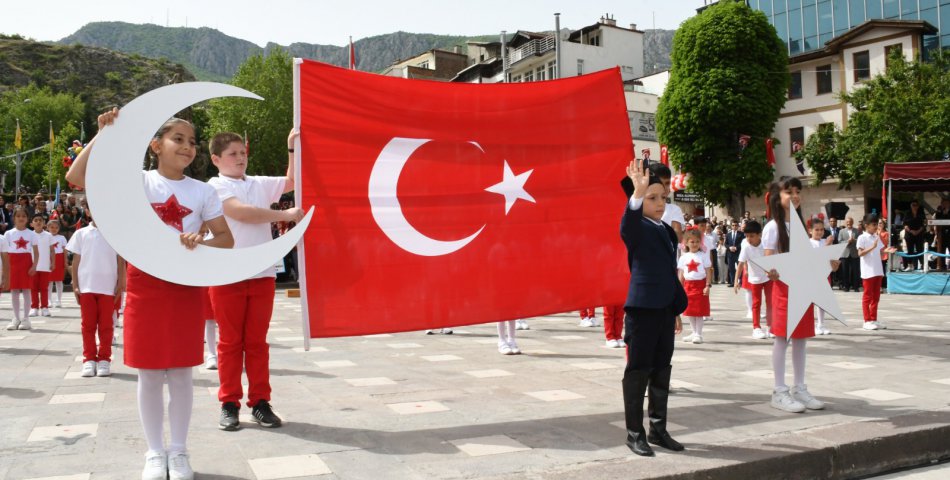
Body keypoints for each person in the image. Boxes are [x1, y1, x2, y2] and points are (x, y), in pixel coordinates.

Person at [66, 108, 234, 480]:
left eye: (192, 142)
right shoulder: (136, 182)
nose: (187, 147)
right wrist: (103, 135)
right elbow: (75, 176)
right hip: (144, 286)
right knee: (150, 375)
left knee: (181, 375)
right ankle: (155, 452)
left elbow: (226, 239)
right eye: (178, 139)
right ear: (155, 145)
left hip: (185, 287)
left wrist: (201, 239)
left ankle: (179, 452)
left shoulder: (202, 190)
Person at [206, 131, 303, 431]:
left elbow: (292, 180)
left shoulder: (259, 183)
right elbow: (240, 213)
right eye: (232, 153)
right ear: (216, 159)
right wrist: (284, 213)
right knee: (230, 342)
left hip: (261, 274)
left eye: (242, 152)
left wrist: (291, 146)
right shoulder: (215, 186)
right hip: (227, 274)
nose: (240, 157)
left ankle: (260, 402)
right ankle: (229, 403)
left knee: (257, 343)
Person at [620, 159, 686, 457]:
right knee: (638, 370)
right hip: (642, 310)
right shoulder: (636, 228)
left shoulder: (665, 231)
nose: (660, 203)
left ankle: (659, 429)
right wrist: (637, 193)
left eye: (663, 197)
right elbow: (628, 225)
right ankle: (635, 434)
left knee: (662, 369)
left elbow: (670, 270)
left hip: (664, 309)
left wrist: (675, 309)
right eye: (652, 198)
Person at [762, 177, 825, 414]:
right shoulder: (772, 227)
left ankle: (800, 388)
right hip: (783, 290)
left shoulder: (800, 225)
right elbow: (768, 259)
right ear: (778, 197)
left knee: (801, 339)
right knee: (782, 338)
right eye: (789, 192)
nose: (795, 195)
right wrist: (775, 270)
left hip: (802, 286)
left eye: (798, 191)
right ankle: (779, 390)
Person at [68, 211, 126, 378]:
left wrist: (121, 283)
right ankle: (89, 360)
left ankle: (104, 360)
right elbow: (76, 261)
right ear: (88, 212)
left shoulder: (114, 233)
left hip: (108, 287)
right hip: (87, 286)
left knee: (107, 326)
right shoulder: (81, 233)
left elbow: (121, 260)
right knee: (88, 325)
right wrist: (75, 285)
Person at [857, 214, 896, 331]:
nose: (876, 227)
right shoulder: (862, 238)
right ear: (866, 225)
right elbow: (860, 253)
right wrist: (872, 247)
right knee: (867, 297)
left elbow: (880, 251)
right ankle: (866, 320)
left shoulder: (876, 237)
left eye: (876, 224)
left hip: (878, 270)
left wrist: (888, 250)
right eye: (874, 225)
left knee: (876, 297)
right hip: (868, 272)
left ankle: (873, 319)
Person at [735, 220, 771, 339]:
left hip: (768, 278)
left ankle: (771, 326)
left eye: (752, 236)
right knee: (756, 303)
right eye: (747, 236)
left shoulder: (766, 245)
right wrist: (736, 281)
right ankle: (756, 328)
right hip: (755, 278)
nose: (749, 239)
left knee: (770, 302)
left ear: (759, 234)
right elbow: (740, 264)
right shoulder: (746, 248)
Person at [4, 207, 38, 330]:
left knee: (26, 291)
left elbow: (36, 252)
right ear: (14, 218)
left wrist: (34, 266)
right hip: (12, 262)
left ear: (27, 219)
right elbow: (4, 252)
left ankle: (26, 318)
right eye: (18, 216)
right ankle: (16, 318)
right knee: (14, 291)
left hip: (26, 263)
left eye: (23, 216)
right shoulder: (8, 234)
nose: (21, 218)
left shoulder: (31, 233)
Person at [678, 228, 712, 344]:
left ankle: (699, 334)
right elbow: (681, 273)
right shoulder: (683, 257)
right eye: (692, 242)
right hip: (688, 285)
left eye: (697, 241)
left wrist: (707, 285)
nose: (695, 244)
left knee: (699, 311)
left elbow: (708, 271)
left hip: (700, 285)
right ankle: (693, 332)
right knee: (690, 311)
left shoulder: (703, 256)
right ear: (686, 243)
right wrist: (679, 287)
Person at [808, 220, 838, 335]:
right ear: (810, 230)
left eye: (821, 230)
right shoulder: (808, 243)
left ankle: (821, 324)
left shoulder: (825, 241)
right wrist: (827, 245)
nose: (820, 232)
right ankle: (810, 324)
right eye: (817, 230)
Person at [29, 214, 54, 317]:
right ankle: (34, 307)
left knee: (44, 288)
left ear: (44, 223)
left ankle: (44, 307)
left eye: (40, 220)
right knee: (33, 288)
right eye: (36, 220)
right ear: (32, 224)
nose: (38, 222)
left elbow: (52, 250)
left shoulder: (49, 235)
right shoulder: (29, 235)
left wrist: (53, 262)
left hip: (44, 265)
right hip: (33, 266)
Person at [47, 220, 68, 308]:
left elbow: (65, 250)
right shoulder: (46, 237)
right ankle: (49, 300)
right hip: (48, 259)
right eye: (52, 227)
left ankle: (59, 300)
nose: (54, 229)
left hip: (59, 259)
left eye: (56, 227)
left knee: (59, 280)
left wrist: (65, 261)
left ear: (59, 228)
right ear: (47, 228)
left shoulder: (62, 238)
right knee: (49, 281)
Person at [837, 217, 860, 291]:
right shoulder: (841, 231)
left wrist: (854, 240)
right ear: (845, 223)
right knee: (845, 271)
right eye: (847, 222)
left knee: (855, 271)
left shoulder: (857, 231)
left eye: (850, 222)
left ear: (852, 222)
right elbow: (839, 242)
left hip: (854, 254)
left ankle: (856, 287)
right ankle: (846, 286)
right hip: (845, 254)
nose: (848, 223)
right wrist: (847, 242)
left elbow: (860, 241)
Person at [724, 220, 744, 287]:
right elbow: (725, 244)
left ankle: (741, 282)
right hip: (730, 254)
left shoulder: (741, 234)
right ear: (731, 226)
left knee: (740, 268)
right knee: (731, 268)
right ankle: (733, 282)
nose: (734, 226)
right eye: (733, 225)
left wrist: (736, 248)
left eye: (736, 225)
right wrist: (729, 247)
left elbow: (742, 243)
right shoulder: (728, 234)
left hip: (738, 253)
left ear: (738, 226)